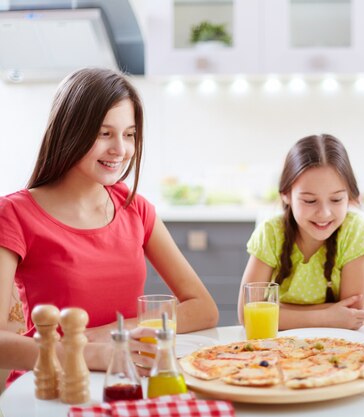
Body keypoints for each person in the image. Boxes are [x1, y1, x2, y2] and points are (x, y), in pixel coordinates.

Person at [0, 68, 219, 384]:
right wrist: (90, 353)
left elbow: (203, 309)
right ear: (69, 132)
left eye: (129, 134)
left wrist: (110, 337)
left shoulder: (135, 208)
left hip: (124, 378)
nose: (120, 149)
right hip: (50, 385)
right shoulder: (14, 214)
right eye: (104, 133)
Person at [237, 134, 364, 330]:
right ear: (286, 195)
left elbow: (351, 315)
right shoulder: (271, 234)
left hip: (340, 348)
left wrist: (277, 310)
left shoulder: (355, 231)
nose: (324, 213)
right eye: (310, 201)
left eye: (336, 200)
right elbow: (247, 314)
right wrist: (328, 316)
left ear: (350, 196)